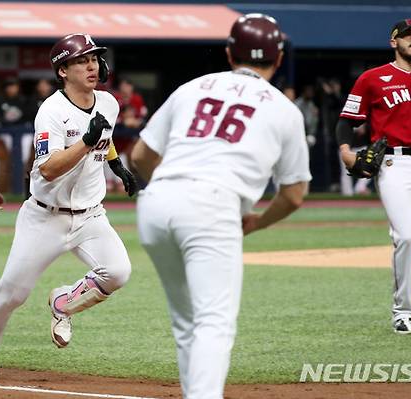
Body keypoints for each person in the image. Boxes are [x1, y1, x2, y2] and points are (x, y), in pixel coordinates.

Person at [131, 14, 310, 398]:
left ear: (230, 54)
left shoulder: (193, 87)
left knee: (188, 323)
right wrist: (257, 222)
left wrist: (172, 183)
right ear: (278, 60)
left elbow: (141, 155)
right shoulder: (283, 108)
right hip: (213, 206)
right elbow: (294, 194)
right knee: (214, 323)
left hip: (156, 203)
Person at [0, 32, 137, 381]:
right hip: (46, 217)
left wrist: (117, 164)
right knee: (13, 292)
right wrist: (87, 141)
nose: (91, 65)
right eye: (81, 61)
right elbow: (48, 168)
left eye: (93, 58)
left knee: (118, 271)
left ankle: (63, 303)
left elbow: (102, 139)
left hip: (91, 215)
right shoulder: (51, 111)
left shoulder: (108, 102)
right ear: (63, 70)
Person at [337, 19, 411, 334]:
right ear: (394, 42)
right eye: (408, 36)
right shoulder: (372, 79)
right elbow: (347, 121)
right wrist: (344, 149)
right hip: (395, 166)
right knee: (407, 236)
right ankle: (401, 311)